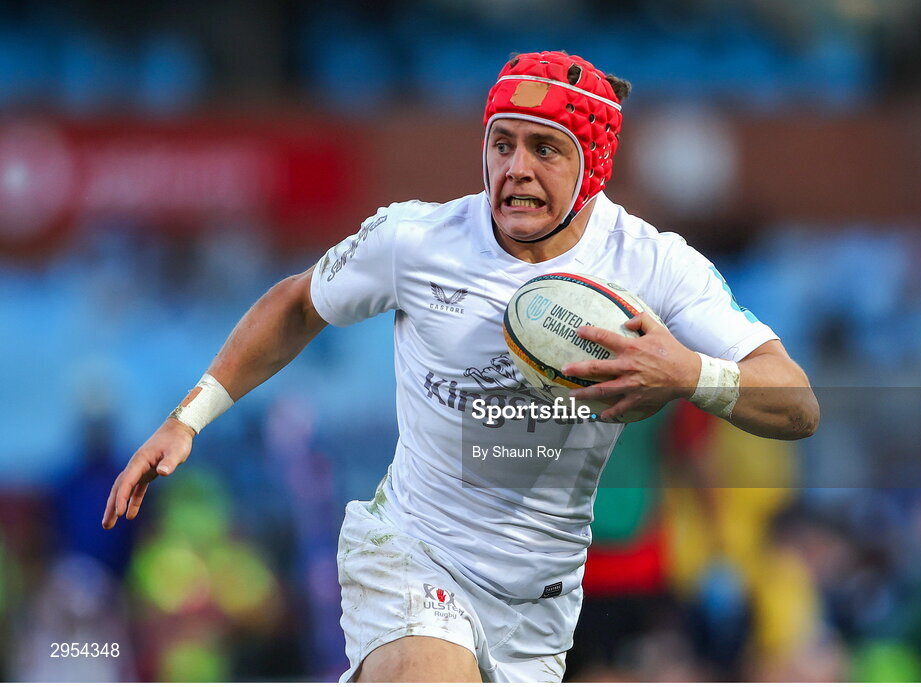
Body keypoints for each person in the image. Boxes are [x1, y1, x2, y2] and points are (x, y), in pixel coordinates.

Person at [102, 51, 819, 682]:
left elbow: (796, 403)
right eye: (501, 144)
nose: (515, 169)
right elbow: (298, 303)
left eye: (545, 148)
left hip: (540, 603)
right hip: (414, 555)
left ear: (593, 164)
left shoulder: (654, 266)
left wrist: (690, 373)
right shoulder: (418, 241)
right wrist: (187, 417)